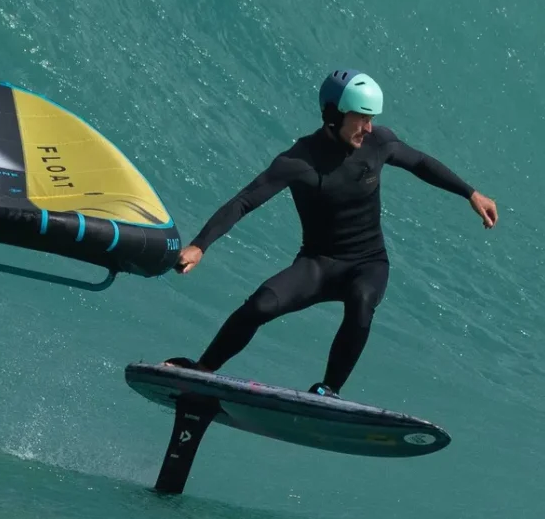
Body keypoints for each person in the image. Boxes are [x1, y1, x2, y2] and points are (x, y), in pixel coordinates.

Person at [169, 70, 498, 396]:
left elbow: (421, 163)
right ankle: (203, 369)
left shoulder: (378, 143)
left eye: (371, 119)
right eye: (361, 119)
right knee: (259, 306)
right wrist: (200, 246)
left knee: (362, 301)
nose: (368, 128)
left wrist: (470, 193)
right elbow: (244, 202)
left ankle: (329, 390)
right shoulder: (299, 160)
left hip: (367, 263)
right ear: (333, 114)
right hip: (317, 263)